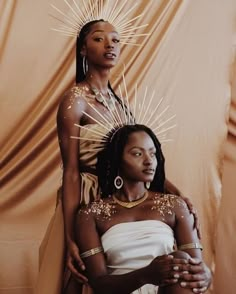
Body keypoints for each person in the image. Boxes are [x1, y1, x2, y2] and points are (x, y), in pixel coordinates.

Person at [35, 19, 201, 294]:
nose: (110, 44)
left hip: (121, 194)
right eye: (99, 39)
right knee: (83, 274)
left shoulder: (120, 104)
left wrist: (178, 192)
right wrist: (69, 236)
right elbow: (72, 170)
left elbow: (139, 159)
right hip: (85, 196)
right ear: (83, 50)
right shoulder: (75, 100)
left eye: (115, 39)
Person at [74, 124, 211, 294]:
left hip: (169, 290)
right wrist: (145, 275)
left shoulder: (174, 206)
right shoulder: (90, 214)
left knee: (181, 259)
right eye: (138, 154)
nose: (149, 161)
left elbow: (196, 271)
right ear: (118, 159)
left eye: (152, 153)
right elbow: (99, 284)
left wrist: (207, 275)